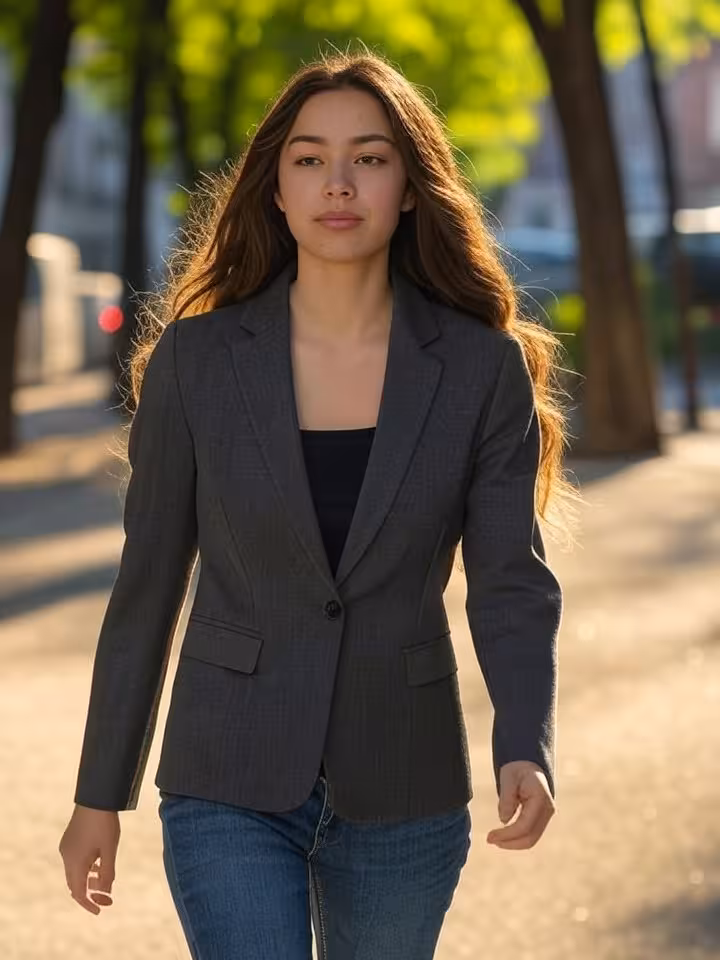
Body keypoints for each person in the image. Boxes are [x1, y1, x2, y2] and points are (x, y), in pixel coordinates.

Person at [59, 48, 571, 960]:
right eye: (309, 158)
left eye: (370, 158)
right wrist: (101, 792)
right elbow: (145, 589)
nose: (339, 183)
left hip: (404, 779)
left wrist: (523, 742)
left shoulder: (479, 369)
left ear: (411, 187)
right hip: (226, 773)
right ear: (276, 188)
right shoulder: (197, 361)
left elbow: (510, 583)